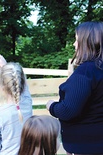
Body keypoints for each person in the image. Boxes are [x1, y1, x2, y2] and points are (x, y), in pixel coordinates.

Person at [46, 21, 103, 154]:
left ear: (88, 43)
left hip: (88, 146)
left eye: (77, 40)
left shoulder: (86, 72)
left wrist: (51, 106)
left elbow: (67, 111)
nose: (74, 44)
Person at [0, 55, 33, 155]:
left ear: (1, 87)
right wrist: (7, 67)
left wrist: (4, 67)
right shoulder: (27, 102)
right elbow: (22, 83)